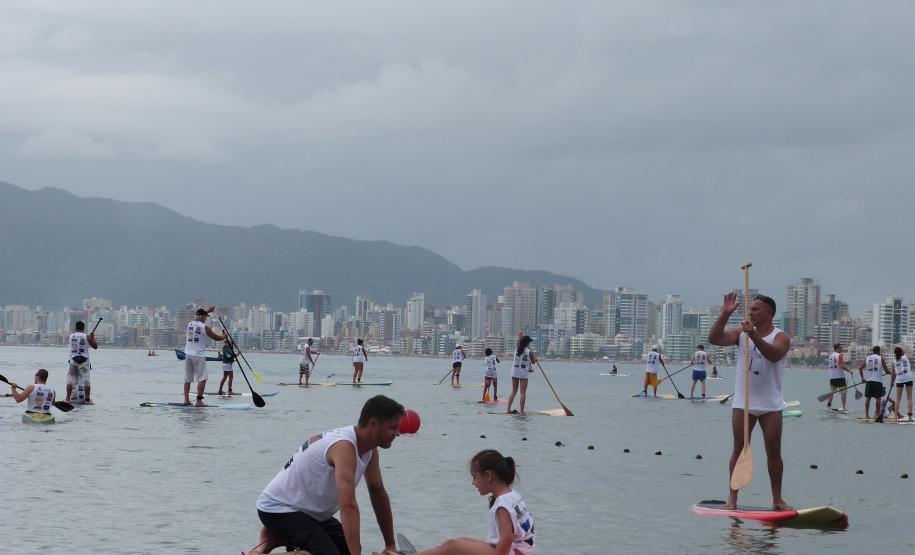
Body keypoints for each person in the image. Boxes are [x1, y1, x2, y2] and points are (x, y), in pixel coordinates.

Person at [246, 395, 404, 555]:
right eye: (393, 428)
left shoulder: (369, 450)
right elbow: (348, 505)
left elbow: (378, 493)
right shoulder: (344, 447)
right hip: (280, 509)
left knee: (350, 550)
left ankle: (275, 538)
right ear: (372, 424)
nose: (397, 433)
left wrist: (390, 545)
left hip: (309, 513)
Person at [708, 292, 791, 512]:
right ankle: (732, 497)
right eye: (750, 309)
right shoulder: (741, 333)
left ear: (769, 312)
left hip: (770, 405)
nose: (750, 312)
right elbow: (714, 339)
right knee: (739, 448)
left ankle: (777, 499)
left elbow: (773, 355)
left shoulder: (781, 336)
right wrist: (725, 314)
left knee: (774, 451)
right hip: (743, 403)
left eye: (755, 309)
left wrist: (754, 336)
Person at [413, 449, 534, 555]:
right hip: (518, 551)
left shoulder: (502, 505)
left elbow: (506, 538)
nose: (473, 483)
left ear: (488, 476)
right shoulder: (512, 495)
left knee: (453, 546)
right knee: (461, 540)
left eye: (474, 477)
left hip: (511, 552)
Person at [183, 306, 228, 407]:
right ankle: (199, 401)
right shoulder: (205, 327)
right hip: (198, 355)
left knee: (188, 379)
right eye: (205, 317)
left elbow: (199, 316)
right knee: (202, 379)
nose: (206, 319)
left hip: (188, 354)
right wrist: (224, 337)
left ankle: (186, 400)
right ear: (203, 317)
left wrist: (208, 311)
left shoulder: (190, 323)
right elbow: (215, 337)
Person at [66, 320, 98, 404]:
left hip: (73, 360)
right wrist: (92, 337)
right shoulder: (87, 336)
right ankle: (87, 400)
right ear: (83, 328)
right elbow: (95, 346)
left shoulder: (71, 336)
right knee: (86, 380)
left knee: (70, 380)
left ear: (75, 328)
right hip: (84, 360)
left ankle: (68, 399)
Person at [858, 346, 892, 420]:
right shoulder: (881, 358)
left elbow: (860, 368)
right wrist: (892, 373)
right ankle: (877, 415)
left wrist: (862, 378)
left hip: (869, 381)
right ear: (879, 351)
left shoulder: (867, 358)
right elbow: (886, 371)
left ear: (873, 351)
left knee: (868, 398)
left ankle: (867, 415)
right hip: (877, 381)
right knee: (878, 398)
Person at [506, 336, 537, 416]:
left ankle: (508, 409)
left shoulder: (516, 349)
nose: (530, 344)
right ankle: (522, 411)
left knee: (514, 391)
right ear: (527, 343)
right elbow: (533, 362)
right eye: (529, 342)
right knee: (523, 392)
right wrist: (536, 359)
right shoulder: (529, 352)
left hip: (514, 372)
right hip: (523, 373)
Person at [825, 343, 854, 411]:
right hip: (840, 377)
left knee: (831, 392)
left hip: (832, 378)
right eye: (841, 347)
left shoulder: (831, 356)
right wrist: (849, 371)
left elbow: (836, 364)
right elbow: (841, 366)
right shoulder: (840, 355)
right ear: (837, 348)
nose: (842, 348)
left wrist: (845, 363)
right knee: (843, 393)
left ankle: (829, 407)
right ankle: (844, 408)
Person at [892, 346, 912, 421]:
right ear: (901, 352)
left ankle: (895, 417)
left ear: (895, 353)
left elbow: (893, 374)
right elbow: (911, 356)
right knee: (909, 398)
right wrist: (905, 349)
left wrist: (892, 382)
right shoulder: (906, 357)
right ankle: (910, 417)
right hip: (908, 378)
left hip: (899, 380)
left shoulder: (894, 361)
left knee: (898, 399)